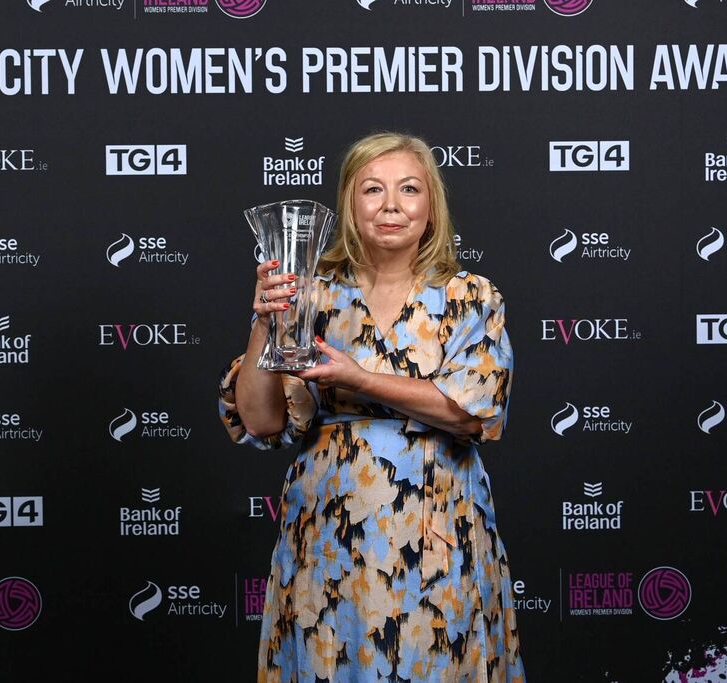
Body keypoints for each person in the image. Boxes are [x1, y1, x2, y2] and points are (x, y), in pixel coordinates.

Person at [219, 132, 525, 682]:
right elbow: (262, 421)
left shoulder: (471, 296)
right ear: (349, 205)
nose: (390, 205)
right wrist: (265, 320)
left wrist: (359, 378)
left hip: (435, 530)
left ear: (431, 207)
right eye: (372, 190)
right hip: (330, 536)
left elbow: (471, 413)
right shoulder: (311, 294)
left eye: (409, 190)